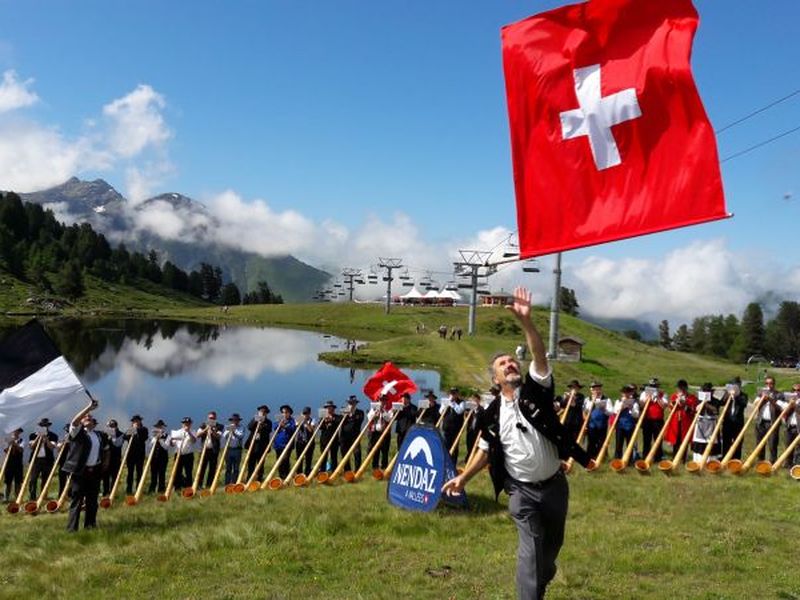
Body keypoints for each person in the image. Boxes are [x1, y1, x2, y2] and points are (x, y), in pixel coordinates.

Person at [443, 287, 591, 600]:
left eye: (512, 361)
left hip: (554, 486)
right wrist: (463, 477)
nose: (510, 365)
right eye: (502, 364)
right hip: (521, 492)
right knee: (528, 553)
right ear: (495, 379)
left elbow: (538, 355)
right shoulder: (491, 414)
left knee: (549, 552)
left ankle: (544, 573)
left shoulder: (537, 393)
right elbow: (484, 450)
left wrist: (527, 323)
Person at [62, 398, 106, 532]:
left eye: (90, 417)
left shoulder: (98, 435)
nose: (88, 417)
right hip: (80, 472)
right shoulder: (77, 432)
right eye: (85, 417)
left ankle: (90, 525)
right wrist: (88, 408)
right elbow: (74, 421)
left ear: (93, 423)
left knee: (92, 501)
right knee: (77, 501)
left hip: (94, 472)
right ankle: (72, 529)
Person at [755, 376, 786, 463]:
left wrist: (771, 399)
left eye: (771, 383)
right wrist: (762, 399)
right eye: (767, 383)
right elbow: (755, 404)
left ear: (774, 384)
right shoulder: (761, 393)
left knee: (772, 444)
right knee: (759, 443)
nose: (769, 385)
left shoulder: (779, 394)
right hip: (761, 421)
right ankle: (760, 462)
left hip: (773, 422)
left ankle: (772, 463)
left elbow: (780, 408)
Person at [665, 380, 697, 461]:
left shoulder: (691, 397)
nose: (680, 391)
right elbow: (670, 408)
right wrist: (676, 402)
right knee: (675, 440)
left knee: (684, 441)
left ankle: (683, 459)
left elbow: (692, 411)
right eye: (679, 389)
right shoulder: (674, 396)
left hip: (686, 422)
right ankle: (675, 457)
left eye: (682, 389)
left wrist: (685, 403)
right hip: (675, 422)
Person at [691, 383, 723, 462]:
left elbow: (715, 410)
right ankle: (698, 460)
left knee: (711, 443)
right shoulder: (698, 400)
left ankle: (710, 461)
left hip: (711, 424)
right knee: (700, 443)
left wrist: (707, 404)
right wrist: (703, 402)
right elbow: (696, 409)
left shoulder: (715, 400)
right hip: (700, 424)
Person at [28, 418, 58, 501]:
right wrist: (38, 437)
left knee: (45, 479)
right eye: (42, 425)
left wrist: (46, 439)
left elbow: (52, 447)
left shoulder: (53, 435)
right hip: (35, 460)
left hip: (47, 461)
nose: (44, 427)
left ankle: (43, 497)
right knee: (33, 479)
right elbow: (31, 446)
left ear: (48, 426)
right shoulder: (32, 435)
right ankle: (32, 498)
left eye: (45, 425)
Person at [720, 378, 749, 460]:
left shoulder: (743, 395)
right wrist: (728, 395)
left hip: (738, 423)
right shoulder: (727, 394)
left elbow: (743, 404)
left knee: (737, 442)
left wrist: (736, 397)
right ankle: (725, 458)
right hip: (727, 422)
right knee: (726, 442)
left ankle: (736, 460)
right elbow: (721, 402)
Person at [640, 378, 667, 462]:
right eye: (652, 386)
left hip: (658, 421)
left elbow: (664, 406)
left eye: (655, 386)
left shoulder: (663, 394)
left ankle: (658, 458)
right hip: (647, 420)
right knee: (646, 439)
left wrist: (657, 397)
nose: (653, 388)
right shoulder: (644, 393)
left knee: (658, 440)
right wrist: (647, 398)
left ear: (658, 386)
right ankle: (645, 457)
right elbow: (641, 405)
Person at [584, 381, 613, 458]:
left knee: (602, 442)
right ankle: (590, 458)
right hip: (591, 425)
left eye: (598, 389)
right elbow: (585, 411)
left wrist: (604, 410)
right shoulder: (587, 399)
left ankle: (602, 458)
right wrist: (585, 424)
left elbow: (611, 412)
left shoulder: (606, 399)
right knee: (591, 442)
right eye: (594, 389)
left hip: (602, 424)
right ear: (591, 390)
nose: (596, 391)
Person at [197, 411, 224, 489]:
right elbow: (198, 435)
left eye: (213, 418)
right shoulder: (203, 425)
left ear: (215, 418)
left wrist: (212, 430)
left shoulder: (219, 426)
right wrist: (206, 429)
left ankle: (209, 485)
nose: (211, 419)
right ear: (207, 418)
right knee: (202, 468)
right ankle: (199, 485)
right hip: (204, 450)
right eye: (210, 418)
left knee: (212, 468)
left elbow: (218, 437)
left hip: (213, 450)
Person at [246, 405, 272, 482]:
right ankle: (249, 480)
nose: (262, 413)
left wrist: (262, 423)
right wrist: (256, 420)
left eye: (264, 412)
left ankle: (259, 480)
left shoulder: (268, 422)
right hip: (253, 446)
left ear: (266, 413)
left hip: (262, 446)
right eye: (261, 412)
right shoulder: (254, 419)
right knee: (251, 464)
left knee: (260, 465)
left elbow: (268, 431)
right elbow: (249, 427)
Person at [613, 385, 640, 460]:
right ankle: (617, 459)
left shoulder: (634, 402)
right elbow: (615, 411)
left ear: (630, 393)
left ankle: (629, 460)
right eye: (624, 392)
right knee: (618, 444)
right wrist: (622, 407)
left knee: (630, 445)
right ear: (622, 393)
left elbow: (637, 415)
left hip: (630, 426)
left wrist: (631, 409)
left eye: (628, 392)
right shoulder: (618, 401)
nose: (626, 394)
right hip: (620, 426)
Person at [123, 415, 148, 495]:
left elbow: (144, 438)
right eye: (134, 421)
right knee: (130, 472)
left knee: (139, 472)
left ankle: (138, 489)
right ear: (132, 422)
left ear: (140, 421)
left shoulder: (144, 429)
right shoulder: (130, 430)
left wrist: (136, 430)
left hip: (140, 454)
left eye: (137, 421)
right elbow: (124, 437)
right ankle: (129, 489)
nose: (136, 422)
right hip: (130, 454)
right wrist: (130, 432)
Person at [441, 387, 466, 463]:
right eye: (451, 393)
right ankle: (446, 461)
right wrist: (446, 405)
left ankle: (453, 462)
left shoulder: (461, 402)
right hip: (446, 427)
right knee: (446, 445)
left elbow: (459, 411)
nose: (452, 395)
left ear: (457, 394)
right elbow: (440, 412)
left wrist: (453, 403)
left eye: (454, 393)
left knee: (455, 447)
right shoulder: (446, 401)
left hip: (456, 428)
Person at [556, 380, 585, 445]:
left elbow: (576, 405)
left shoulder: (581, 396)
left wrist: (572, 398)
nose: (573, 389)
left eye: (575, 388)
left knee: (574, 439)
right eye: (572, 388)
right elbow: (562, 405)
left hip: (576, 421)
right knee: (565, 438)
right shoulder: (567, 395)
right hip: (567, 420)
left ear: (578, 388)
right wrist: (564, 398)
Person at [367, 398, 393, 470]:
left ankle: (384, 467)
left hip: (385, 433)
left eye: (384, 401)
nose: (382, 402)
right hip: (375, 433)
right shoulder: (373, 409)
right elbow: (369, 418)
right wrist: (375, 414)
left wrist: (383, 412)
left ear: (386, 402)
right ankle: (375, 467)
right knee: (376, 451)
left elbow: (389, 419)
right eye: (381, 401)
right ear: (378, 401)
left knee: (385, 451)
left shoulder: (389, 410)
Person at [171, 417, 197, 490]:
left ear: (190, 424)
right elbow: (172, 444)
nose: (186, 425)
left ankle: (189, 488)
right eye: (185, 423)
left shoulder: (193, 431)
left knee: (188, 472)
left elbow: (194, 441)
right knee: (177, 472)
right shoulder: (177, 432)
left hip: (188, 455)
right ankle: (177, 487)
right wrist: (171, 440)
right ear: (182, 424)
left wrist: (189, 432)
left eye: (188, 423)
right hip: (178, 455)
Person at [340, 396, 364, 471]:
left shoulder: (360, 412)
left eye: (353, 403)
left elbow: (359, 421)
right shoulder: (344, 412)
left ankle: (357, 470)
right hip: (344, 437)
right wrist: (344, 415)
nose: (351, 405)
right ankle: (347, 470)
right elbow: (339, 423)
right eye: (350, 403)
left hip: (355, 436)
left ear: (356, 404)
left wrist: (352, 413)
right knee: (345, 454)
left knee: (357, 453)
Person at [273, 405, 297, 480]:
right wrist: (280, 425)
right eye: (283, 412)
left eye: (286, 412)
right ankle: (281, 476)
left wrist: (285, 426)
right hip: (278, 444)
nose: (284, 414)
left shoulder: (292, 420)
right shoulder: (279, 420)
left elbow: (293, 429)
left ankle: (286, 476)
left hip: (287, 445)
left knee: (285, 460)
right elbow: (274, 427)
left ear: (289, 413)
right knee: (279, 461)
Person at [318, 401, 342, 472]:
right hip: (324, 440)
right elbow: (320, 427)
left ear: (333, 409)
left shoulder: (337, 417)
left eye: (330, 408)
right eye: (327, 408)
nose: (328, 409)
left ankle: (334, 471)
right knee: (323, 457)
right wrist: (325, 421)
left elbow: (340, 421)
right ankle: (322, 471)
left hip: (334, 440)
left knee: (334, 456)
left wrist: (332, 419)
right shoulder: (323, 418)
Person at [103, 420, 124, 497]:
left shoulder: (121, 434)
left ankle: (112, 492)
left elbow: (118, 444)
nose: (110, 428)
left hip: (115, 458)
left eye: (111, 426)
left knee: (114, 476)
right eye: (108, 426)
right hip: (106, 459)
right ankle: (105, 491)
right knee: (105, 476)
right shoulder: (105, 434)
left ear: (115, 426)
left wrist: (113, 436)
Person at [148, 420, 170, 494]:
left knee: (162, 474)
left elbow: (166, 447)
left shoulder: (167, 436)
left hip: (163, 458)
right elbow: (149, 446)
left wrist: (160, 440)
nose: (159, 429)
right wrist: (155, 438)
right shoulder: (152, 436)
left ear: (163, 428)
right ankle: (152, 490)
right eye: (158, 427)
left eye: (161, 427)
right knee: (153, 474)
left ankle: (161, 490)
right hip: (154, 458)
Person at [3, 428, 24, 502]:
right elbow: (5, 450)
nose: (16, 433)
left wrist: (14, 443)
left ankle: (18, 498)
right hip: (9, 463)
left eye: (18, 431)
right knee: (7, 481)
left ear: (19, 432)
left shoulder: (22, 440)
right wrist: (10, 443)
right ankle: (6, 498)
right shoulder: (7, 439)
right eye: (15, 431)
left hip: (18, 464)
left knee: (18, 482)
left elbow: (21, 450)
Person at [223, 413, 245, 485]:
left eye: (236, 420)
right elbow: (224, 436)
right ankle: (227, 483)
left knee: (236, 467)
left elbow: (241, 436)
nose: (235, 421)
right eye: (233, 420)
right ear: (232, 421)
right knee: (228, 467)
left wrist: (234, 431)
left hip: (237, 449)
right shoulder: (228, 427)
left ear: (238, 421)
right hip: (229, 449)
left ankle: (234, 482)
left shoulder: (241, 427)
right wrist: (229, 430)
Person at [294, 407, 316, 476]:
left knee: (308, 458)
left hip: (309, 443)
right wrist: (300, 420)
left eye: (307, 413)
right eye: (304, 413)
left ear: (309, 414)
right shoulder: (299, 419)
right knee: (299, 458)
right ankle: (299, 473)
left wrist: (306, 422)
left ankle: (307, 473)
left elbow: (311, 430)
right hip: (300, 442)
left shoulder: (313, 420)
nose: (305, 415)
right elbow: (296, 427)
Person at [786, 382, 800, 467]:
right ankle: (788, 464)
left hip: (799, 427)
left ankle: (797, 465)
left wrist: (795, 406)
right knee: (788, 445)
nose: (796, 392)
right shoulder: (790, 400)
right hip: (789, 426)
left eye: (798, 390)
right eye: (794, 390)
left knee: (798, 448)